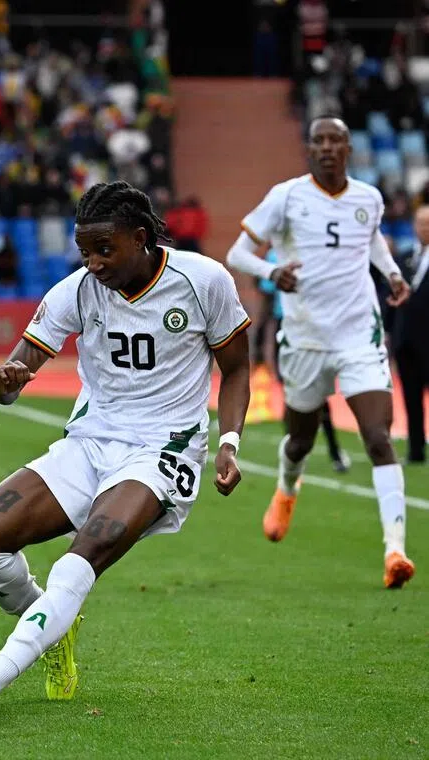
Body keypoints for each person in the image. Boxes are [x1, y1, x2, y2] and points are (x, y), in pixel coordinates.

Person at [0, 182, 251, 717]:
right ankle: (53, 626)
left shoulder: (203, 280)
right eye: (84, 250)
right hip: (89, 444)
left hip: (164, 449)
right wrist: (5, 381)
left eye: (104, 249)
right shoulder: (77, 290)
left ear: (140, 238)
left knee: (79, 560)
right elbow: (10, 380)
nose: (93, 262)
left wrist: (229, 442)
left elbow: (237, 368)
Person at [226, 116, 415, 589]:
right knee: (301, 440)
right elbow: (237, 253)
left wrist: (391, 274)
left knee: (378, 436)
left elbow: (371, 241)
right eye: (319, 141)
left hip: (359, 335)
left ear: (349, 148)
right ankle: (288, 488)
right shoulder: (287, 196)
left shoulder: (368, 198)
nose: (328, 148)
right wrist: (271, 273)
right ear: (309, 148)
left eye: (336, 141)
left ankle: (395, 550)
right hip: (306, 337)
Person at [256, 248, 352, 472]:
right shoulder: (274, 254)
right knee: (289, 390)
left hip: (315, 329)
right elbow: (268, 297)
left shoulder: (320, 249)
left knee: (319, 391)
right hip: (287, 328)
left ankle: (334, 450)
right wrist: (261, 336)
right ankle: (293, 451)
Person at [393, 206, 429, 465]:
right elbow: (391, 298)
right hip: (405, 340)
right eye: (420, 224)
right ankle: (415, 451)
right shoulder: (405, 258)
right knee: (410, 398)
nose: (424, 229)